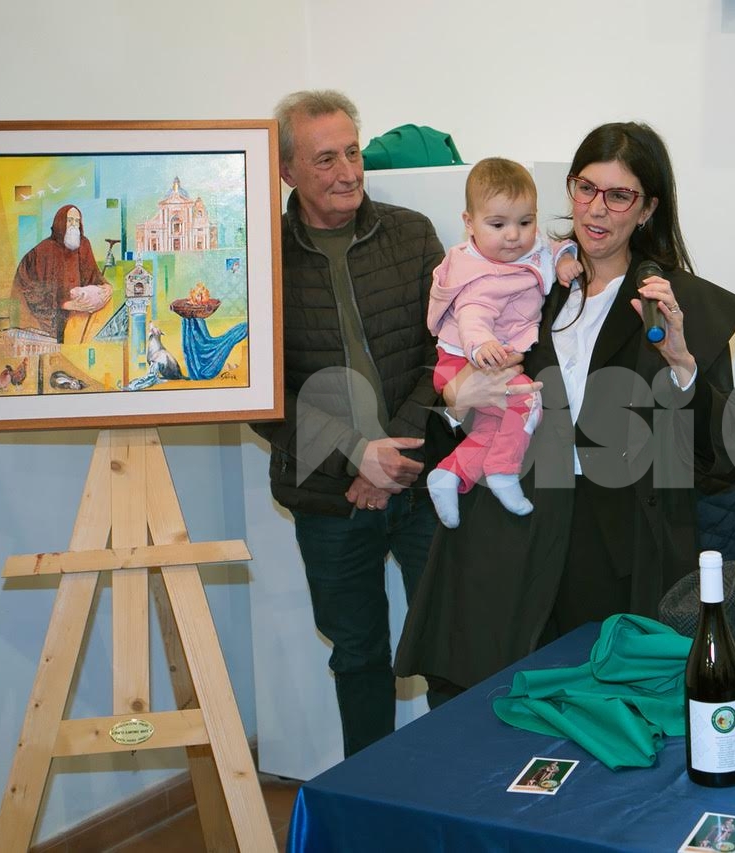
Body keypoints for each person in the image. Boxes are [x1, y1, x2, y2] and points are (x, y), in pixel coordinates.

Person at [396, 122, 735, 701]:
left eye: (620, 195)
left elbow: (718, 458)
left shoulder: (673, 304)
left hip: (621, 540)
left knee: (608, 710)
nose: (597, 209)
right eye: (586, 188)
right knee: (494, 707)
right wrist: (457, 401)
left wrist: (682, 363)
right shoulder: (528, 275)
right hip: (516, 528)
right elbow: (453, 388)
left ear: (648, 208)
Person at [250, 89, 444, 756]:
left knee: (446, 646)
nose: (348, 172)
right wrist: (356, 455)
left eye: (353, 152)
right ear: (286, 171)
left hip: (422, 484)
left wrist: (393, 458)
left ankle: (461, 796)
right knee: (358, 655)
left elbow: (446, 353)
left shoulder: (413, 234)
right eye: (326, 159)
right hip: (328, 497)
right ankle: (369, 794)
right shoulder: (258, 259)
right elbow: (261, 393)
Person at [425, 157, 582, 527]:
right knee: (527, 402)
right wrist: (481, 346)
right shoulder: (481, 274)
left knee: (491, 428)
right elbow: (473, 315)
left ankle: (449, 475)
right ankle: (502, 470)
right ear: (469, 223)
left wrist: (564, 259)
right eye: (498, 225)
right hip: (466, 362)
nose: (514, 235)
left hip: (482, 361)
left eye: (525, 222)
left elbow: (550, 246)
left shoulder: (526, 249)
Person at [12, 204, 113, 342]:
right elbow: (29, 287)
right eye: (70, 220)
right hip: (53, 320)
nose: (74, 225)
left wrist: (107, 286)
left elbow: (93, 275)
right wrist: (65, 304)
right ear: (60, 222)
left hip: (78, 317)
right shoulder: (43, 250)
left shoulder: (84, 244)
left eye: (77, 221)